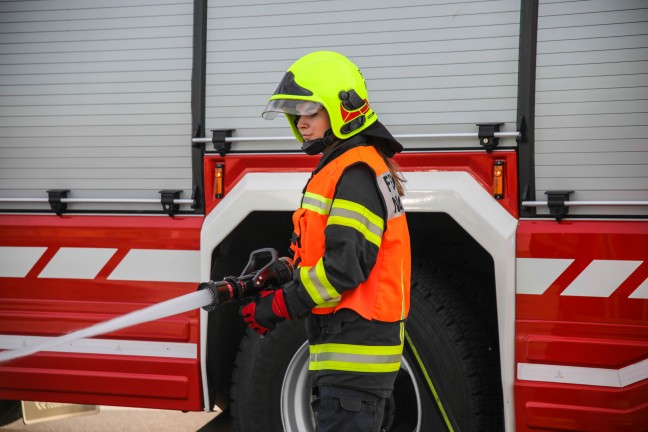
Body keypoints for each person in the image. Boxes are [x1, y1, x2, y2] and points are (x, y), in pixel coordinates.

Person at [240, 51, 411, 432]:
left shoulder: (354, 172)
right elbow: (332, 254)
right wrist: (284, 272)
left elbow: (344, 268)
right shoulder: (351, 166)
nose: (300, 122)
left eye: (311, 111)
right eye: (296, 113)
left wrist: (281, 305)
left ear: (343, 109)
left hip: (353, 366)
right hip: (353, 368)